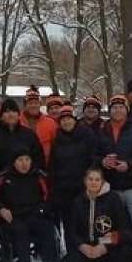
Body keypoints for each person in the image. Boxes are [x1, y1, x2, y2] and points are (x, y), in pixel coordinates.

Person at [0, 147, 60, 262]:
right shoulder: (4, 177)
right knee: (20, 231)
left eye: (27, 159)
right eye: (20, 160)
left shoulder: (39, 176)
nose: (24, 164)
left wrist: (42, 210)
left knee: (47, 228)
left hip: (35, 214)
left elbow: (50, 198)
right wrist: (1, 209)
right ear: (14, 162)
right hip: (13, 216)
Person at [66, 168, 132, 262]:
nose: (93, 182)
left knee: (127, 251)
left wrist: (104, 245)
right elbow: (73, 231)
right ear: (85, 181)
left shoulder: (113, 199)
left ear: (103, 181)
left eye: (97, 179)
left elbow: (124, 229)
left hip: (109, 245)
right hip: (88, 246)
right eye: (90, 179)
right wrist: (83, 246)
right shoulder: (78, 201)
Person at [96, 94, 132, 227]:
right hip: (112, 187)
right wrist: (102, 161)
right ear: (110, 110)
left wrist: (130, 164)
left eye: (121, 107)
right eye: (114, 107)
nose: (118, 110)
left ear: (126, 109)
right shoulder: (103, 130)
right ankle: (117, 249)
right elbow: (93, 154)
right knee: (114, 226)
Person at [49, 102, 97, 249]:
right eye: (63, 119)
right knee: (70, 225)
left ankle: (91, 252)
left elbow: (93, 161)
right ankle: (72, 255)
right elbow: (53, 167)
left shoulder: (87, 136)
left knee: (86, 223)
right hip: (64, 190)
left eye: (69, 118)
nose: (66, 122)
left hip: (84, 189)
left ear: (75, 120)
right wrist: (53, 190)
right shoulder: (57, 141)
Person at [0, 98, 44, 172]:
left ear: (18, 114)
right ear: (1, 116)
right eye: (7, 112)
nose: (10, 114)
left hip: (26, 179)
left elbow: (38, 159)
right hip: (2, 180)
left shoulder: (29, 134)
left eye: (13, 111)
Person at [20, 85, 58, 165]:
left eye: (36, 103)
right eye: (30, 103)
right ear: (25, 105)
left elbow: (56, 146)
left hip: (44, 166)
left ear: (40, 105)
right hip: (22, 165)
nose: (33, 105)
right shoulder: (17, 121)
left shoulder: (50, 123)